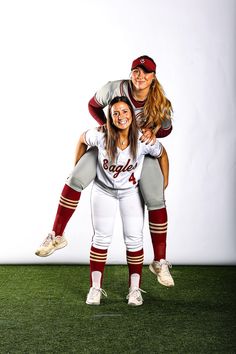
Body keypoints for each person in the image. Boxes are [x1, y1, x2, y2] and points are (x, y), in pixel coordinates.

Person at [35, 55, 174, 288]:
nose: (140, 76)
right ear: (131, 73)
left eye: (146, 72)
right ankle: (57, 235)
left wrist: (152, 131)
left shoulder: (160, 101)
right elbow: (92, 105)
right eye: (136, 71)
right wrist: (107, 125)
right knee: (75, 177)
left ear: (153, 77)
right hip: (110, 143)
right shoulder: (115, 88)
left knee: (157, 197)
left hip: (138, 148)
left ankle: (160, 261)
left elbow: (167, 132)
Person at [77, 96, 168, 305]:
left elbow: (162, 154)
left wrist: (164, 182)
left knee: (134, 239)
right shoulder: (101, 135)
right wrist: (77, 167)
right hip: (104, 190)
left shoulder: (142, 139)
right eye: (115, 113)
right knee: (101, 238)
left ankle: (135, 290)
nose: (121, 116)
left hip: (130, 192)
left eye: (125, 112)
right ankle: (95, 288)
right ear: (109, 117)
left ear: (132, 115)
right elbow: (81, 139)